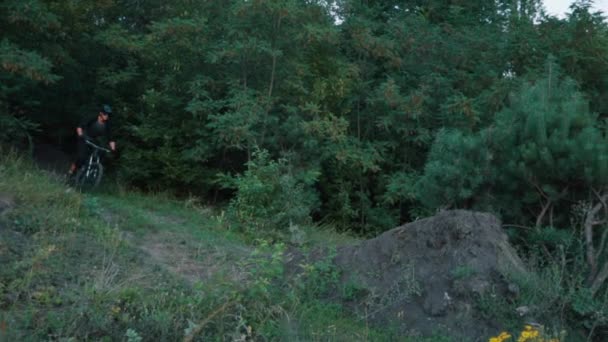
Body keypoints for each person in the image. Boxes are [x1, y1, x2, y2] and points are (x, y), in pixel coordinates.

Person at [68, 104, 116, 176]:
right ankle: (70, 172)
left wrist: (113, 149)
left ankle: (92, 169)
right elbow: (80, 126)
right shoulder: (93, 118)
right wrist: (80, 135)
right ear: (101, 113)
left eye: (108, 114)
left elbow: (111, 138)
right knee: (81, 157)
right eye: (105, 114)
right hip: (84, 137)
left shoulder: (107, 124)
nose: (107, 116)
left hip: (93, 140)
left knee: (101, 152)